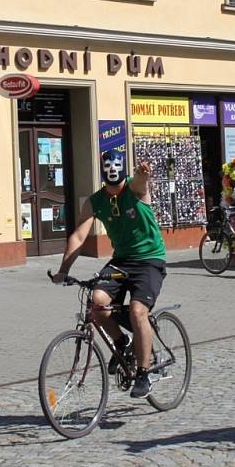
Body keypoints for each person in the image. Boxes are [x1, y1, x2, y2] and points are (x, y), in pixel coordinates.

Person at [52, 149, 167, 398]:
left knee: (138, 310)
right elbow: (80, 235)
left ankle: (144, 374)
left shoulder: (135, 190)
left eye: (117, 169)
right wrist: (64, 271)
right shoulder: (95, 201)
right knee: (97, 302)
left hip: (149, 260)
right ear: (102, 173)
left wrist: (142, 174)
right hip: (122, 261)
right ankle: (122, 343)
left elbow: (139, 182)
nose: (112, 173)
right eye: (108, 169)